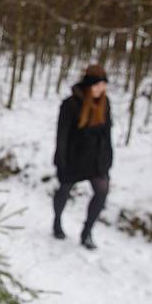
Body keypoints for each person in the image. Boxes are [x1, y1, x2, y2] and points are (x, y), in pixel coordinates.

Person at [52, 64, 113, 250]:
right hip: (73, 158)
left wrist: (108, 157)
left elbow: (107, 133)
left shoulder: (105, 103)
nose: (100, 89)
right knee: (64, 190)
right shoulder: (71, 104)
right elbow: (62, 134)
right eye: (97, 85)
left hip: (96, 159)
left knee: (102, 191)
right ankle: (57, 221)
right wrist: (60, 160)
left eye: (103, 85)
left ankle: (87, 232)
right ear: (88, 85)